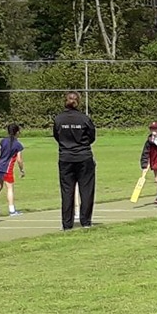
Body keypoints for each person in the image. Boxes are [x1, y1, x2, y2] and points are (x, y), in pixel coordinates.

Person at [52, 91, 97, 230]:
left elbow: (57, 136)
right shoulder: (84, 119)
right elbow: (92, 137)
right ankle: (86, 222)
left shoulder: (58, 119)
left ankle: (67, 224)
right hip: (83, 157)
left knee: (67, 191)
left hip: (65, 157)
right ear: (78, 101)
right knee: (86, 190)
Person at [0, 123, 26, 215]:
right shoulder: (18, 144)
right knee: (10, 188)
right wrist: (21, 169)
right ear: (17, 132)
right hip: (7, 169)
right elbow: (19, 160)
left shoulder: (3, 141)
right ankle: (12, 210)